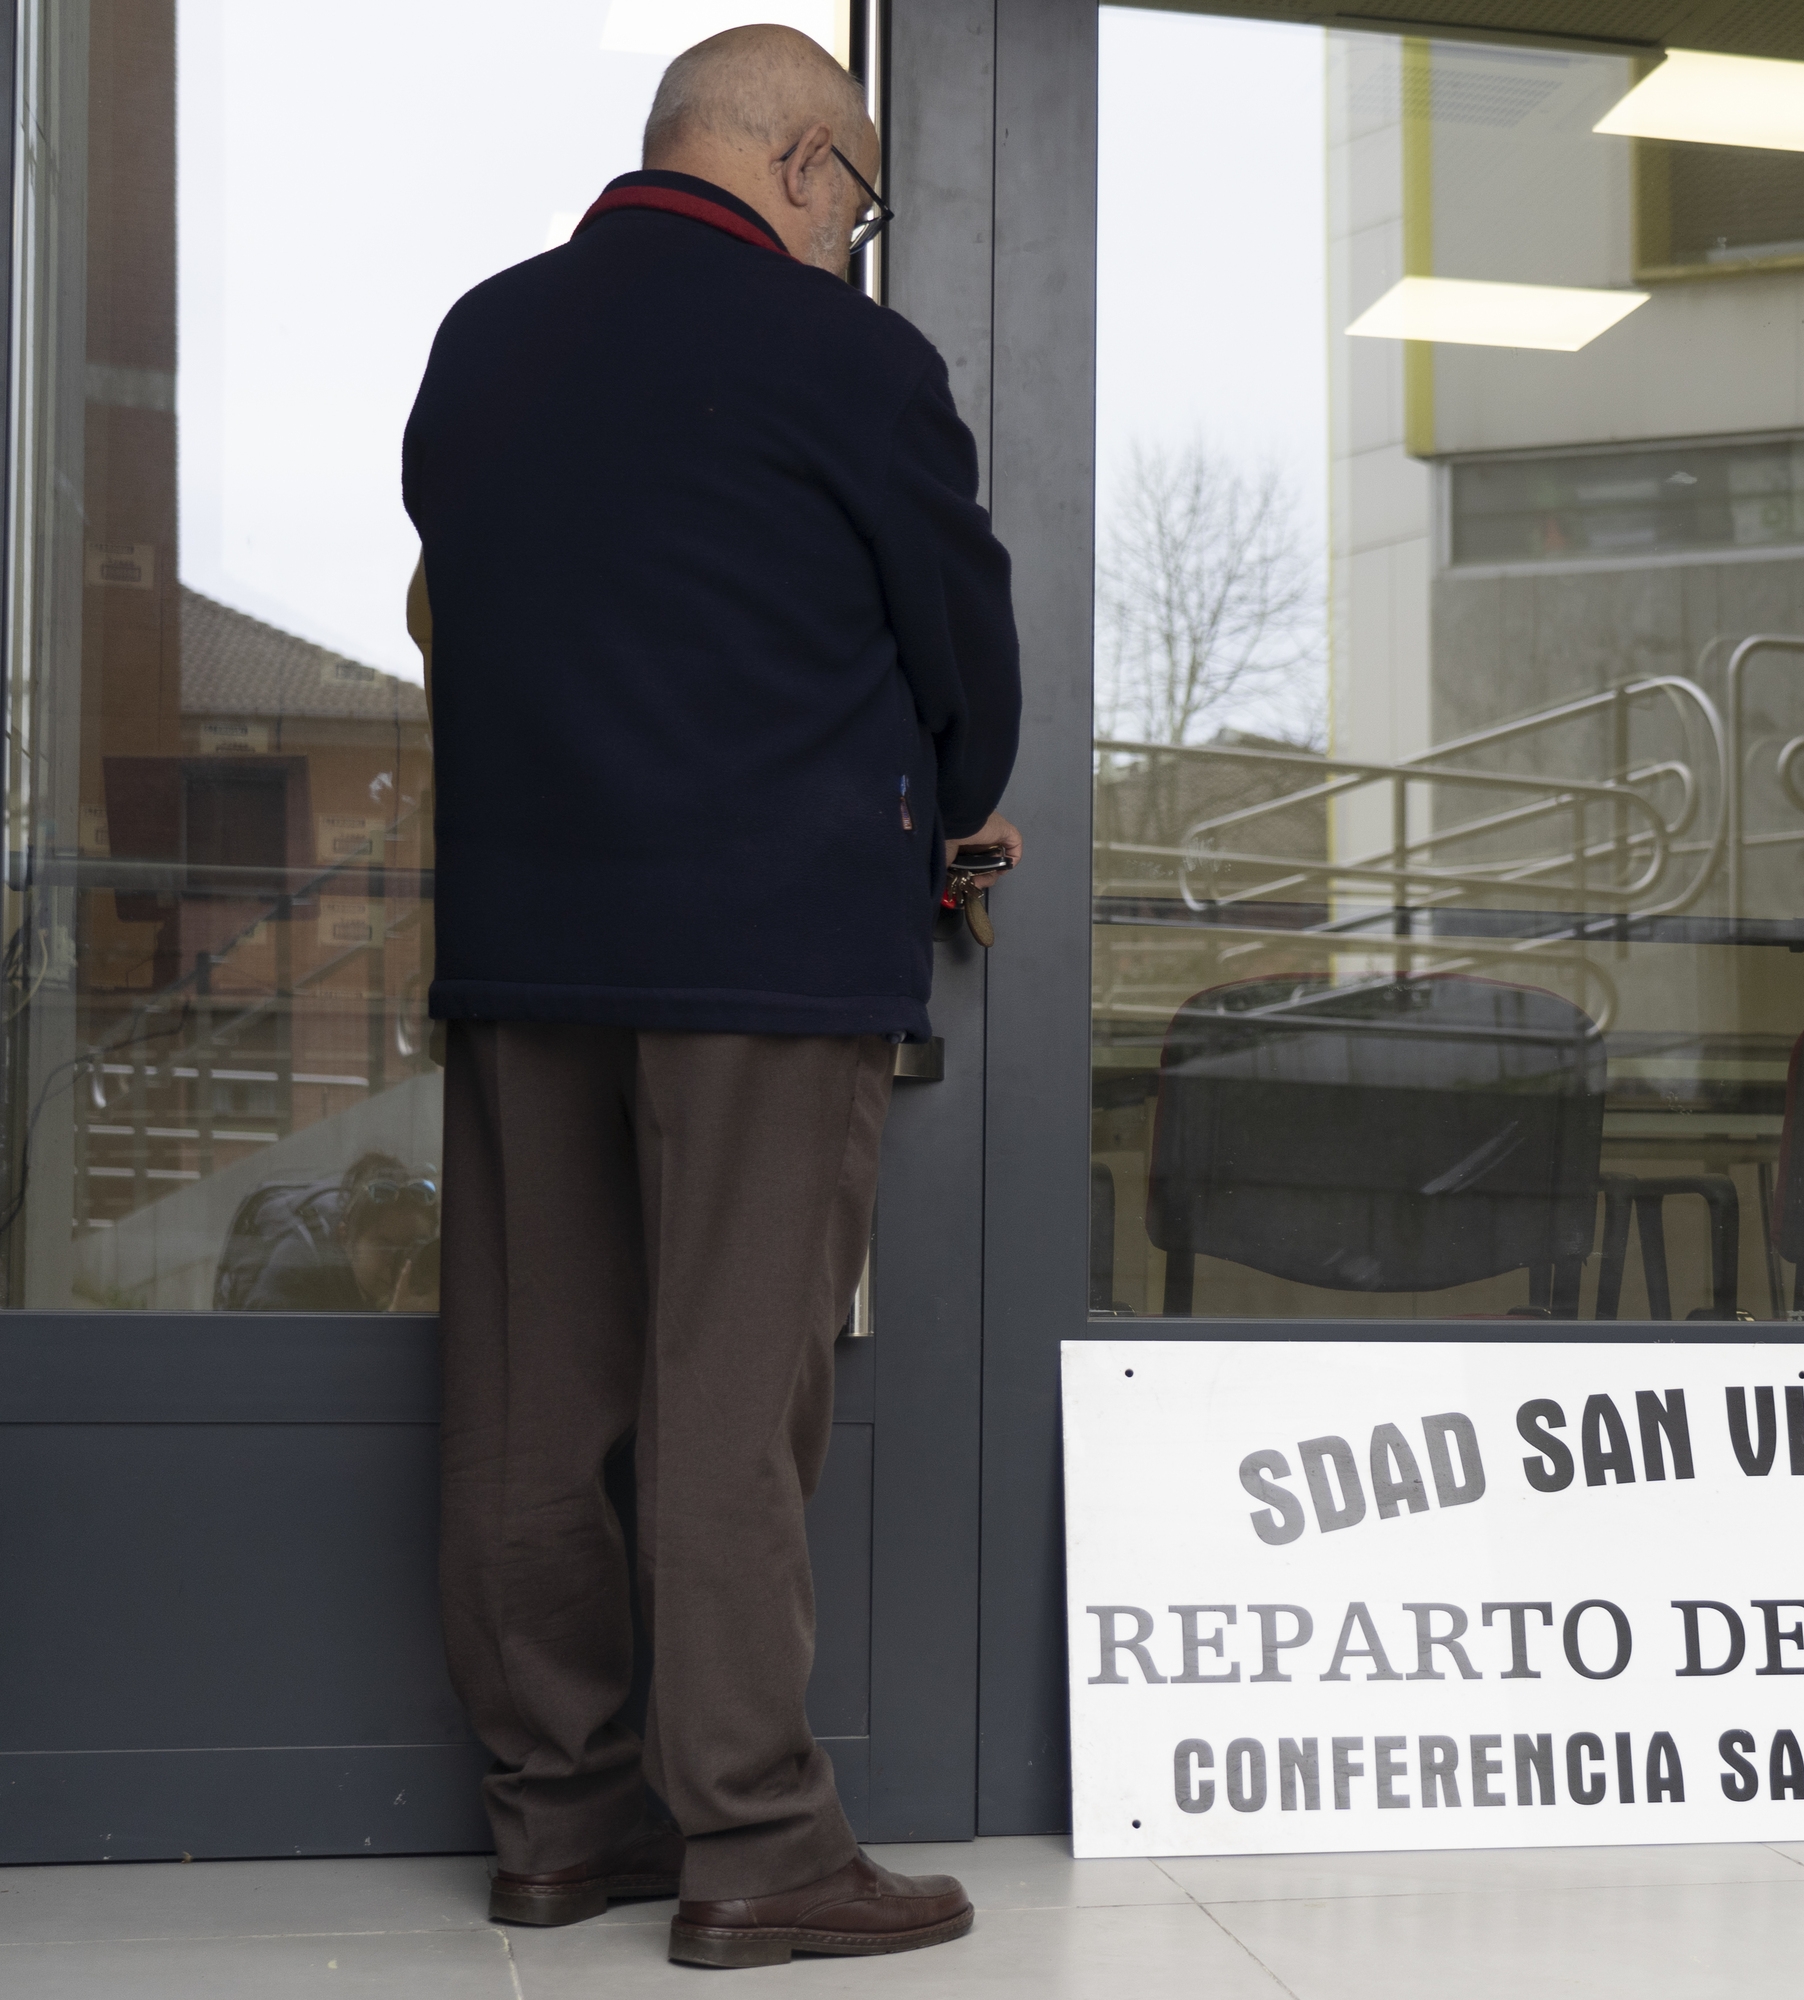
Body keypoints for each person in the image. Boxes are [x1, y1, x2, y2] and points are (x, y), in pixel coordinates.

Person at [401, 26, 1017, 1971]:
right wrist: (957, 804)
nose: (855, 237)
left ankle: (556, 1827)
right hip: (759, 943)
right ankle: (754, 1838)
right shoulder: (849, 361)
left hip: (524, 945)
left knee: (529, 1398)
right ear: (805, 159)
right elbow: (959, 639)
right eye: (863, 201)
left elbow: (455, 600)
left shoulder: (479, 343)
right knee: (729, 1401)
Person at [211, 1151, 441, 1312]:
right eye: (384, 1245)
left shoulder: (431, 1274)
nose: (400, 1262)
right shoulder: (295, 1275)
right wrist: (399, 1324)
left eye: (413, 1246)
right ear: (345, 1238)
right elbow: (285, 1374)